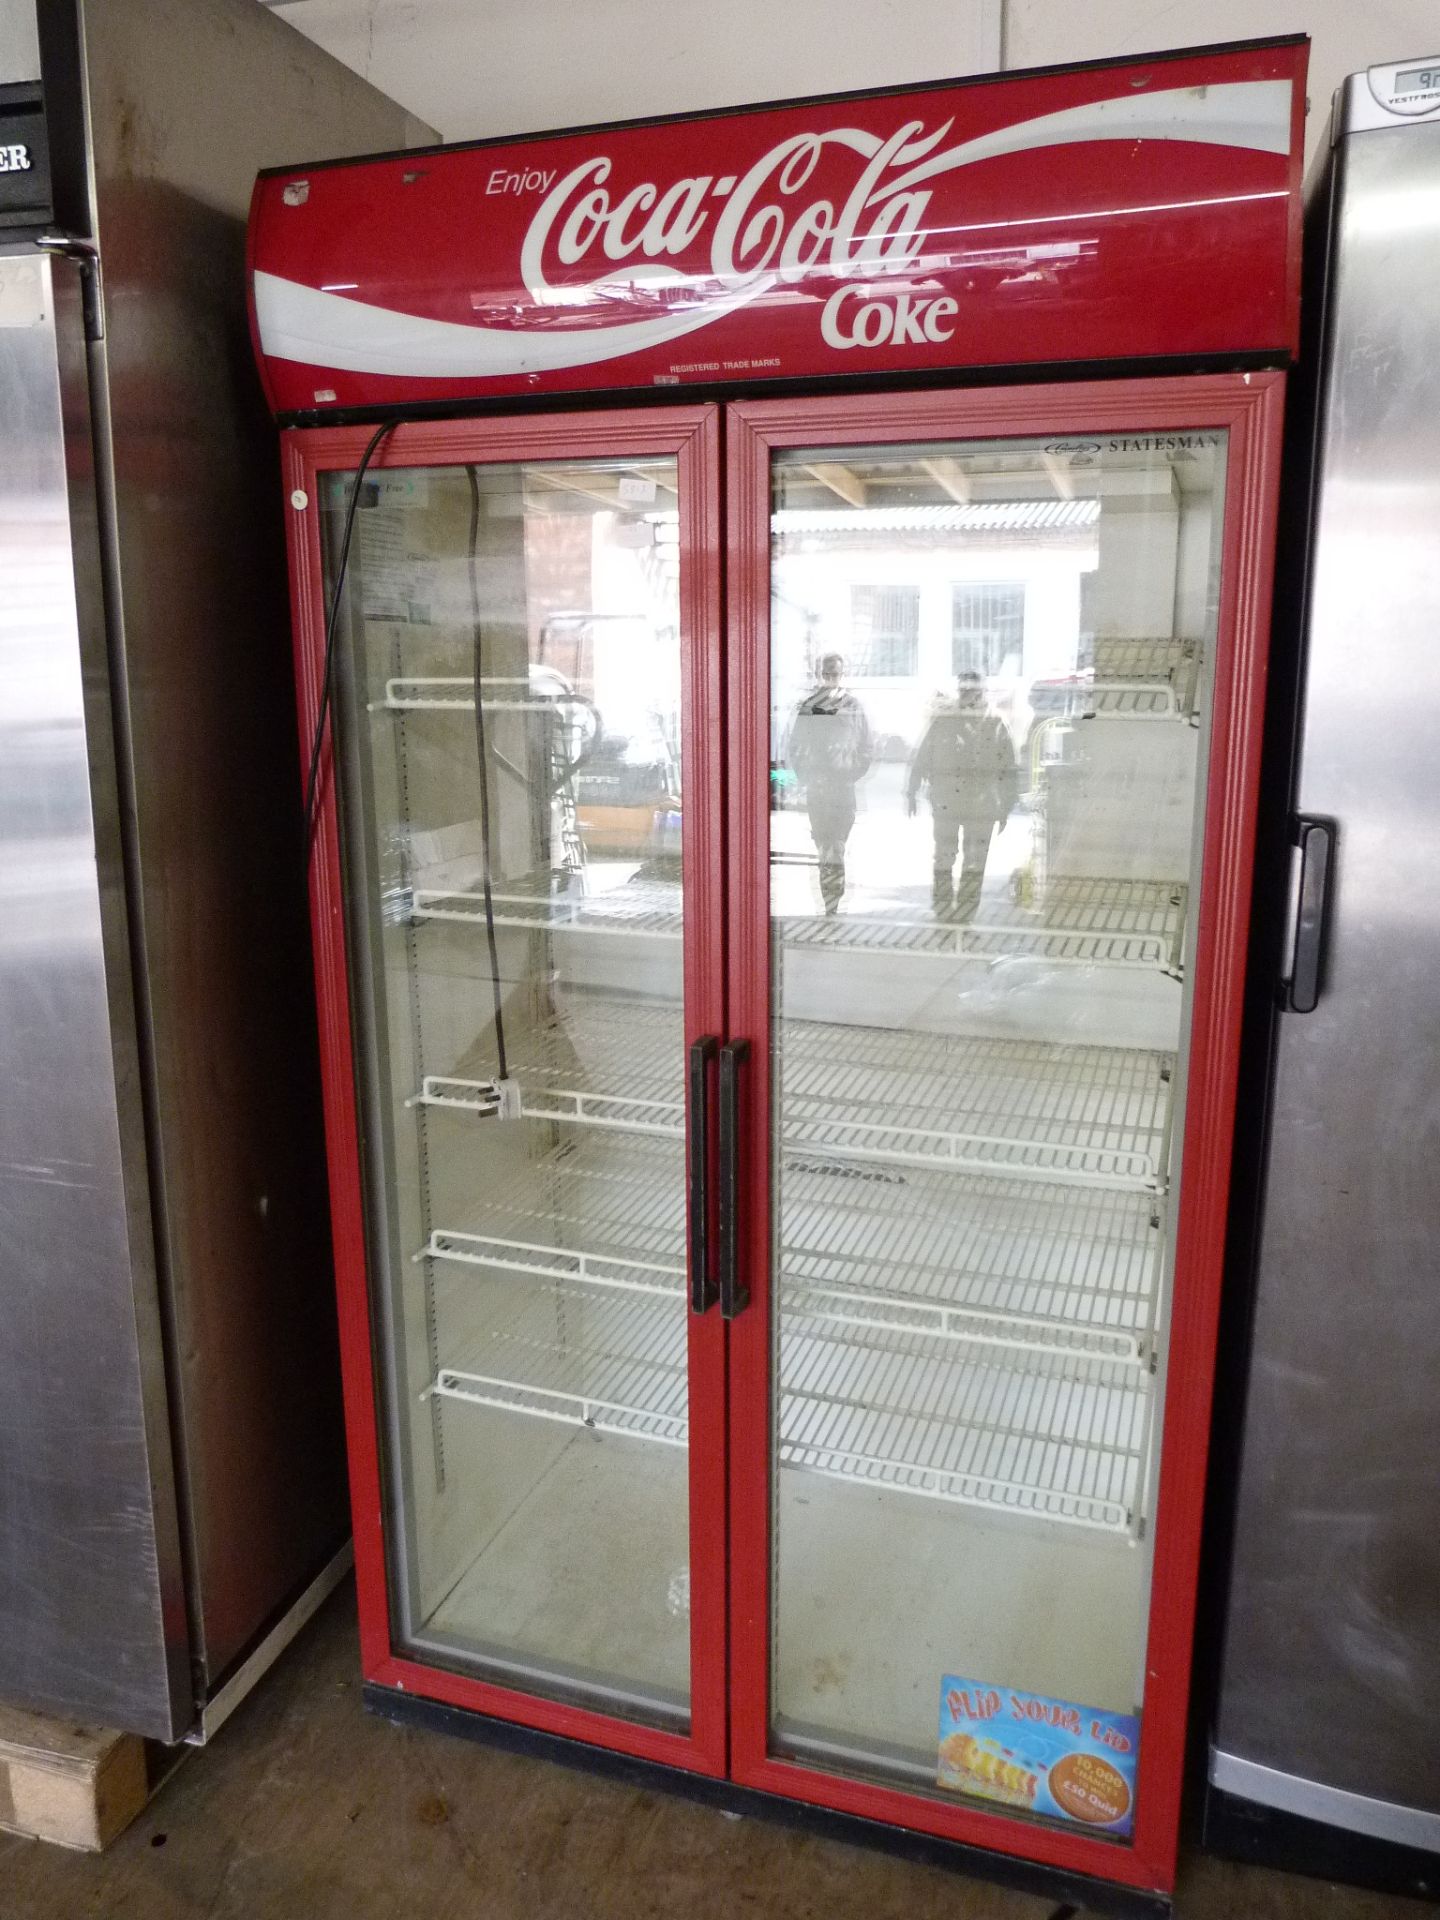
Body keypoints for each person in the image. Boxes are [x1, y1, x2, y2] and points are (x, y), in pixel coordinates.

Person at [907, 672, 1018, 921]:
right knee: (944, 856)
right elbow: (924, 754)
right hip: (947, 800)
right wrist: (911, 791)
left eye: (972, 690)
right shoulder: (944, 719)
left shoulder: (996, 722)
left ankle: (966, 915)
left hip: (983, 805)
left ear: (982, 692)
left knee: (975, 861)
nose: (967, 695)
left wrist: (1006, 808)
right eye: (963, 690)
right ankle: (943, 910)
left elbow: (1009, 769)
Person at [786, 653, 874, 916]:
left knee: (837, 847)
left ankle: (834, 899)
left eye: (835, 674)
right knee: (825, 848)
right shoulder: (809, 706)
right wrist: (808, 777)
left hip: (843, 790)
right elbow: (796, 746)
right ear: (820, 675)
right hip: (818, 790)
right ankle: (830, 902)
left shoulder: (853, 705)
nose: (831, 679)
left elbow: (867, 746)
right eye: (826, 674)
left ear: (842, 675)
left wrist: (850, 773)